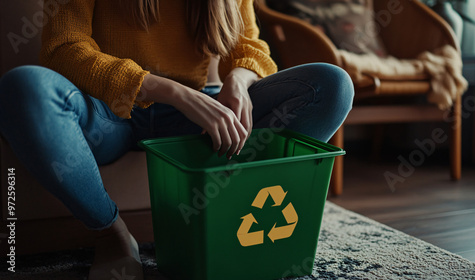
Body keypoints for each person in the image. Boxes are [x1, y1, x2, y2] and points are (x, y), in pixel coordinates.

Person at [0, 0, 353, 279]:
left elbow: (249, 46)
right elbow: (64, 48)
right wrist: (173, 92)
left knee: (332, 86)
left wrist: (239, 83)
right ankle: (111, 234)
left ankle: (228, 213)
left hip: (191, 118)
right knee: (23, 88)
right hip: (108, 112)